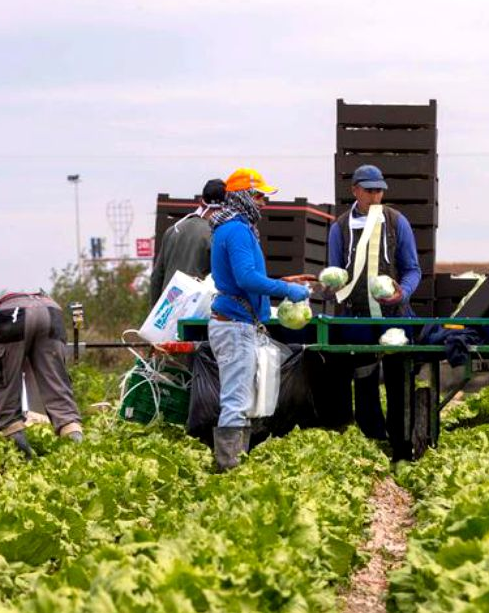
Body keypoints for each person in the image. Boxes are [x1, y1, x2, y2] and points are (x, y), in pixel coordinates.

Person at [207, 167, 310, 471]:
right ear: (243, 197)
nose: (263, 202)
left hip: (236, 322)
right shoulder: (237, 229)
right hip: (235, 326)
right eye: (259, 195)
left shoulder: (228, 227)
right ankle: (229, 470)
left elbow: (242, 278)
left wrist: (281, 282)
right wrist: (288, 289)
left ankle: (234, 465)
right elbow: (247, 277)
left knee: (241, 401)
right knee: (237, 402)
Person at [321, 164, 421, 460]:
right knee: (363, 377)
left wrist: (403, 291)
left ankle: (402, 445)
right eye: (369, 190)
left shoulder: (395, 221)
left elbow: (413, 269)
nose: (376, 196)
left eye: (379, 190)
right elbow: (334, 269)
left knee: (398, 377)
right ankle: (373, 440)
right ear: (355, 191)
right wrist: (331, 283)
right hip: (356, 315)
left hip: (394, 314)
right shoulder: (339, 228)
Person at [0, 292, 83, 457]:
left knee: (7, 409)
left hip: (13, 313)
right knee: (61, 401)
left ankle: (24, 459)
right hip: (50, 309)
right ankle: (77, 450)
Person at [149, 178, 226, 307]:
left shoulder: (173, 230)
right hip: (195, 312)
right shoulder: (216, 235)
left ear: (201, 201)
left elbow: (157, 277)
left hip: (167, 309)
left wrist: (154, 313)